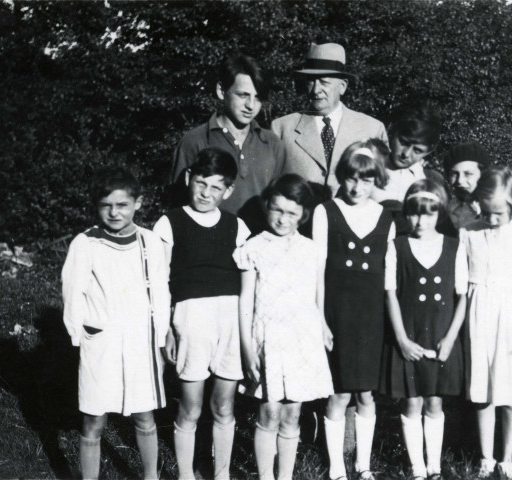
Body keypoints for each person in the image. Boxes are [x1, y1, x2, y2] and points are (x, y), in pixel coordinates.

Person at [62, 167, 171, 480]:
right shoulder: (85, 244)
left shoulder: (150, 242)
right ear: (97, 207)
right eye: (106, 205)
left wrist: (160, 340)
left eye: (122, 205)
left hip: (141, 343)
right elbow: (73, 295)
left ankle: (151, 475)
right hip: (101, 344)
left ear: (138, 203)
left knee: (144, 416)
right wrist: (81, 338)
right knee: (94, 419)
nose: (114, 212)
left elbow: (161, 294)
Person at [154, 148, 251, 480]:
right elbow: (159, 279)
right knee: (191, 406)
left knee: (224, 406)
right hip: (191, 318)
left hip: (231, 320)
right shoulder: (170, 222)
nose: (206, 193)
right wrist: (166, 328)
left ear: (228, 191)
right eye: (200, 183)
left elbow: (248, 280)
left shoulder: (237, 226)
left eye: (215, 187)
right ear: (187, 179)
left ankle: (221, 474)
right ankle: (185, 474)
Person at [235, 174, 335, 480]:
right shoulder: (253, 247)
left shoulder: (312, 249)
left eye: (291, 213)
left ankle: (285, 476)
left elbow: (318, 295)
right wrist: (247, 348)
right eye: (277, 210)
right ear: (267, 207)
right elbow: (244, 302)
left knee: (292, 413)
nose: (282, 218)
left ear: (302, 215)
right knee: (269, 412)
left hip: (302, 337)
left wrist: (324, 326)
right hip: (268, 338)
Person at [312, 140, 395, 480]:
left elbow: (388, 273)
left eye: (367, 180)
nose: (358, 187)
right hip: (336, 313)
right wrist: (320, 319)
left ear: (377, 181)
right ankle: (335, 468)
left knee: (365, 393)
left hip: (371, 315)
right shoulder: (325, 211)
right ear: (341, 177)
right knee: (338, 392)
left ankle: (363, 465)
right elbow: (316, 270)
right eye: (351, 178)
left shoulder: (385, 216)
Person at [379, 179, 467, 479]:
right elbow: (390, 293)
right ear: (406, 214)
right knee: (412, 399)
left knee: (434, 400)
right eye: (415, 213)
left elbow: (462, 296)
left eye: (428, 213)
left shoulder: (454, 247)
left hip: (440, 335)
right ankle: (417, 467)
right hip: (411, 335)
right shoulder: (397, 247)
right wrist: (402, 339)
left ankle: (434, 466)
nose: (421, 220)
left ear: (439, 213)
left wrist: (451, 337)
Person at [461, 167, 512, 479]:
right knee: (483, 391)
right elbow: (462, 281)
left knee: (511, 393)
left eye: (500, 214)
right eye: (488, 212)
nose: (493, 220)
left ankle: (507, 459)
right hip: (479, 315)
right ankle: (486, 457)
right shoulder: (469, 232)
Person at [170, 53, 285, 233]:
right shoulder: (194, 141)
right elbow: (176, 207)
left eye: (258, 97)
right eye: (243, 95)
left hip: (259, 251)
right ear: (221, 91)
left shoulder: (273, 144)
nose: (251, 105)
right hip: (207, 249)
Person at [272, 42, 388, 199]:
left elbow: (382, 186)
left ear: (342, 87)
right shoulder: (282, 128)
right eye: (311, 81)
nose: (315, 90)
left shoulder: (372, 128)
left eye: (324, 82)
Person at [444, 142, 492, 230]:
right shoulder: (449, 209)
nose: (460, 181)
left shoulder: (495, 210)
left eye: (468, 174)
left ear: (483, 174)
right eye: (454, 174)